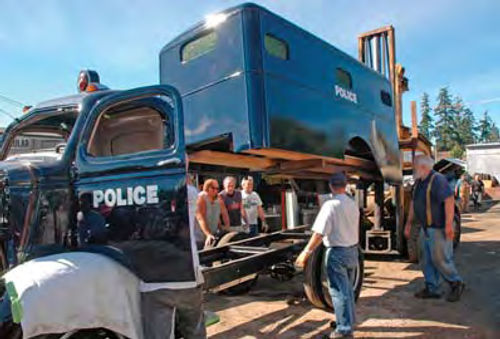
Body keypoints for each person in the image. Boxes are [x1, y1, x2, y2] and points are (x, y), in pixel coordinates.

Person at [140, 167, 206, 339]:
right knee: (195, 331)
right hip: (188, 276)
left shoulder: (140, 193)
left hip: (154, 280)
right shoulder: (191, 193)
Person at [295, 172, 359, 338]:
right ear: (345, 186)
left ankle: (344, 330)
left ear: (331, 186)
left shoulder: (330, 205)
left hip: (337, 253)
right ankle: (346, 322)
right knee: (348, 291)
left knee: (339, 292)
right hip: (352, 251)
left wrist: (306, 252)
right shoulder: (352, 203)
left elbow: (318, 233)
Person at [404, 155, 464, 302]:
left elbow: (449, 201)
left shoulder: (438, 180)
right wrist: (409, 224)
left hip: (439, 227)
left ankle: (456, 283)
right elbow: (414, 203)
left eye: (414, 167)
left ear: (423, 167)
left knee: (440, 259)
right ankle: (433, 288)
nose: (413, 170)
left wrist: (449, 225)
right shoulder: (419, 182)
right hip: (426, 228)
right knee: (425, 259)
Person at [195, 178, 230, 249]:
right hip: (200, 237)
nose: (216, 190)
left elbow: (224, 214)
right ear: (207, 188)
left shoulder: (219, 199)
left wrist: (227, 229)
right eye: (213, 188)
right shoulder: (202, 197)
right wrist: (208, 234)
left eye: (217, 188)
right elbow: (200, 218)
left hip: (213, 236)